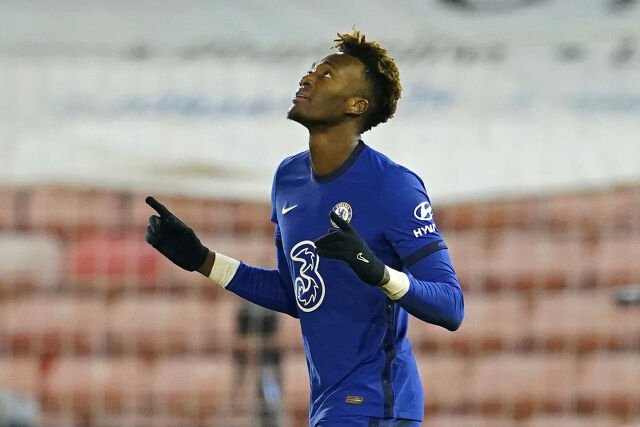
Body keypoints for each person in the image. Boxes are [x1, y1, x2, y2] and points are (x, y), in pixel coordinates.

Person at [145, 30, 464, 427]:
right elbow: (295, 293)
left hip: (377, 405)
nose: (307, 77)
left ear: (356, 105)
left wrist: (379, 273)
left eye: (327, 74)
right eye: (313, 70)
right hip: (331, 405)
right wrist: (204, 260)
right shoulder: (288, 178)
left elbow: (451, 307)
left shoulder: (393, 185)